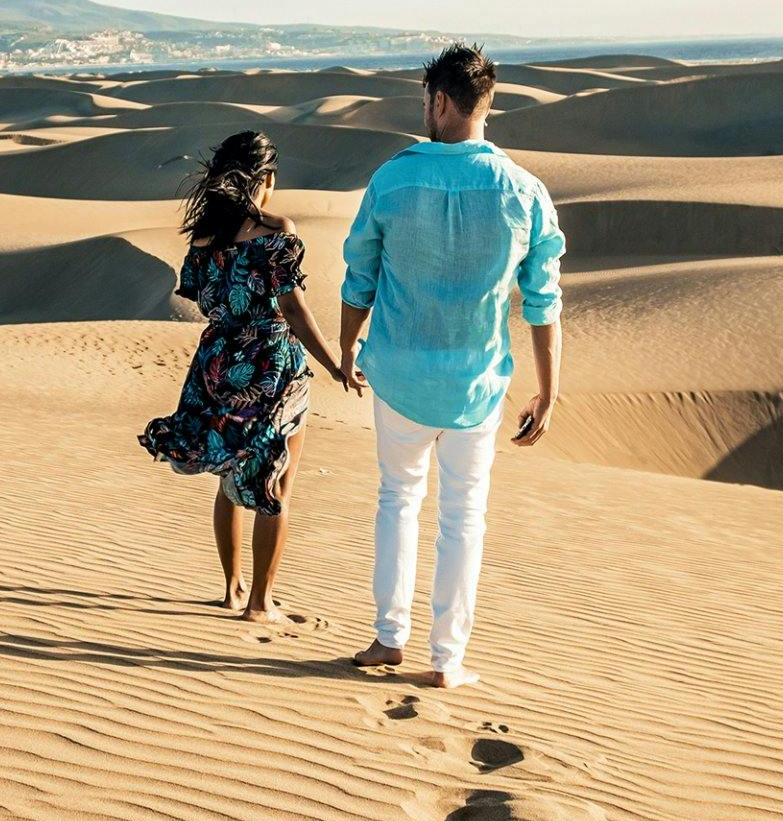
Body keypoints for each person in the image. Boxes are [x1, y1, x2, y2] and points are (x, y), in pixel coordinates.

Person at [338, 43, 567, 687]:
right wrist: (548, 391)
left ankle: (389, 638)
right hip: (477, 382)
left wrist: (348, 346)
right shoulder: (523, 190)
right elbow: (543, 301)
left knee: (397, 499)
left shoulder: (392, 178)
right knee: (464, 515)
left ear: (439, 101)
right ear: (485, 104)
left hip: (400, 374)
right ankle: (448, 661)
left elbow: (360, 277)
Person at [139, 131, 343, 622]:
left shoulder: (204, 237)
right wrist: (334, 364)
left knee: (230, 477)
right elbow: (292, 310)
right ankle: (260, 603)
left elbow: (207, 300)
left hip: (216, 365)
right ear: (265, 179)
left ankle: (231, 590)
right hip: (272, 366)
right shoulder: (276, 231)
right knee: (276, 483)